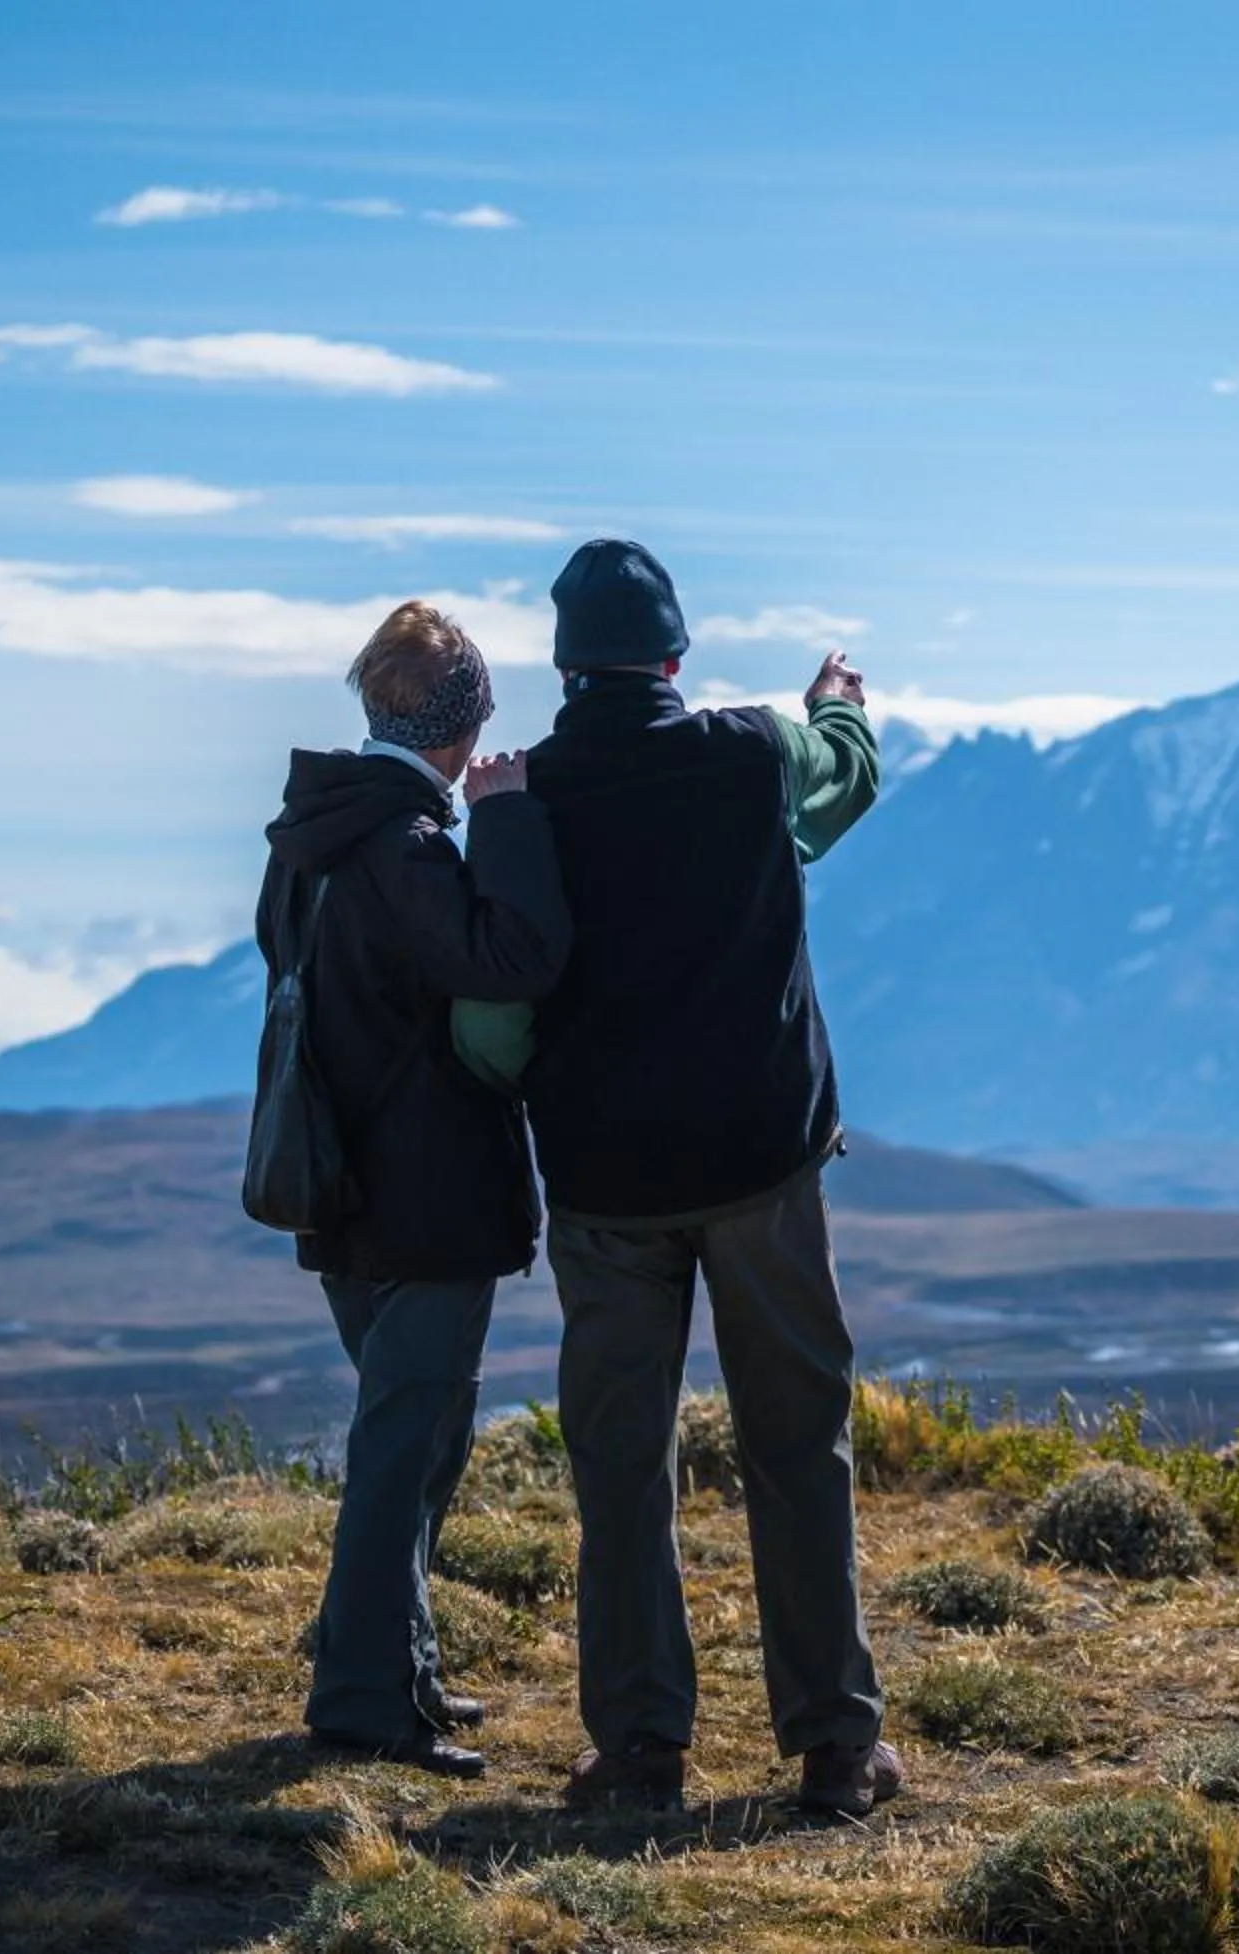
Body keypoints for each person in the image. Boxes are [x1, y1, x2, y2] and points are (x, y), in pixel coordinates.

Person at [487, 538, 894, 1817]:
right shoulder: (750, 749)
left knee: (621, 1463)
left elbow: (495, 1013)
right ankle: (835, 1745)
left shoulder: (529, 794)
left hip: (606, 1186)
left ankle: (642, 1752)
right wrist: (837, 701)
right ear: (674, 654)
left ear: (564, 667)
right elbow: (843, 784)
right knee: (798, 1444)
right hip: (764, 1165)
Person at [257, 600, 572, 1781]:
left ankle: (405, 1670)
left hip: (335, 1192)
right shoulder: (407, 846)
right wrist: (510, 820)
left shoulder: (308, 844)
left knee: (421, 1442)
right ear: (467, 717)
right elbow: (512, 961)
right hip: (429, 1197)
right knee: (406, 1448)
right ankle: (361, 1699)